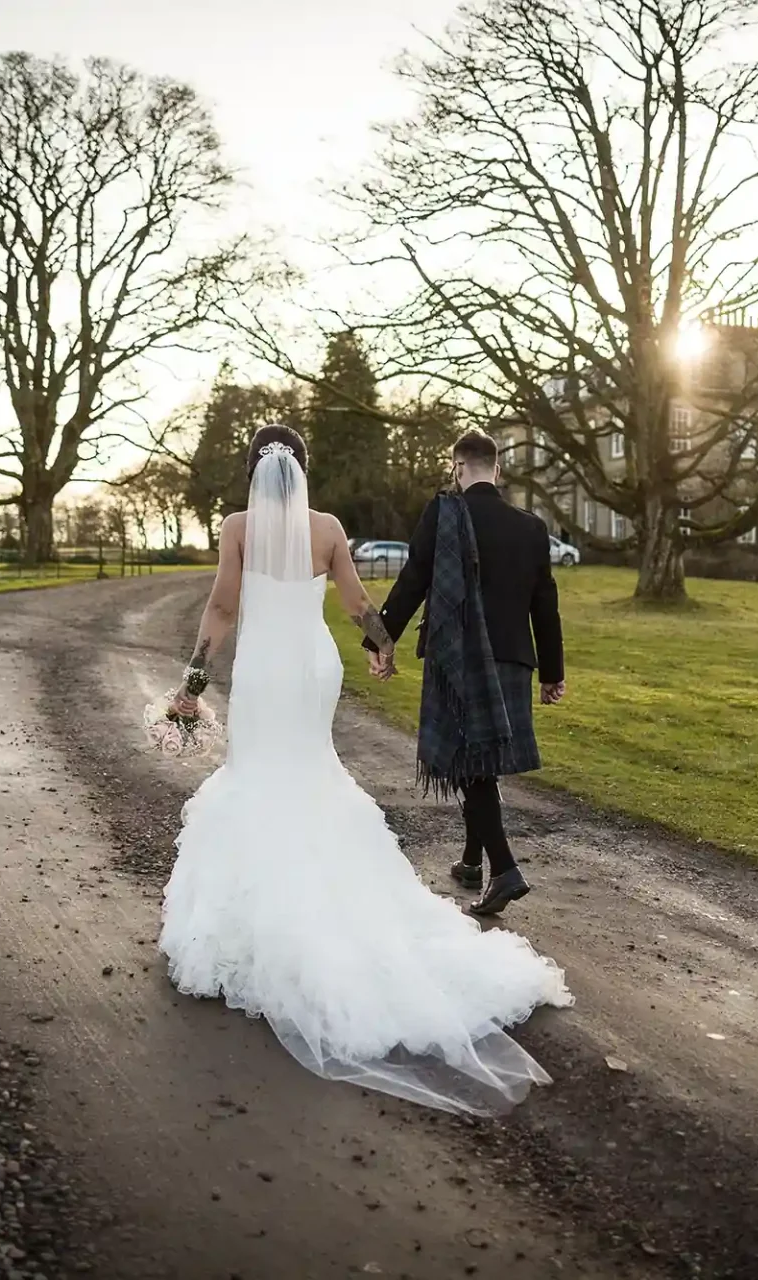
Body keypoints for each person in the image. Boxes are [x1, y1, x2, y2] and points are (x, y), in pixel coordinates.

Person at [158, 425, 571, 1116]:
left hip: (263, 670)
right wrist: (382, 647)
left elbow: (225, 607)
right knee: (313, 775)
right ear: (303, 468)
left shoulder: (236, 526)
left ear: (253, 470)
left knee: (258, 775)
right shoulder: (327, 527)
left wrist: (193, 685)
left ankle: (257, 909)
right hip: (315, 668)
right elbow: (356, 604)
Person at [364, 429, 565, 917]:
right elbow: (545, 603)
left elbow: (414, 578)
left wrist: (379, 640)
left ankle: (504, 869)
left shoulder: (445, 513)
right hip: (514, 658)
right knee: (481, 762)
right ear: (497, 470)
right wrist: (551, 672)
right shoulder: (532, 527)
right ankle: (473, 860)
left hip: (459, 657)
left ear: (457, 468)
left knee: (464, 761)